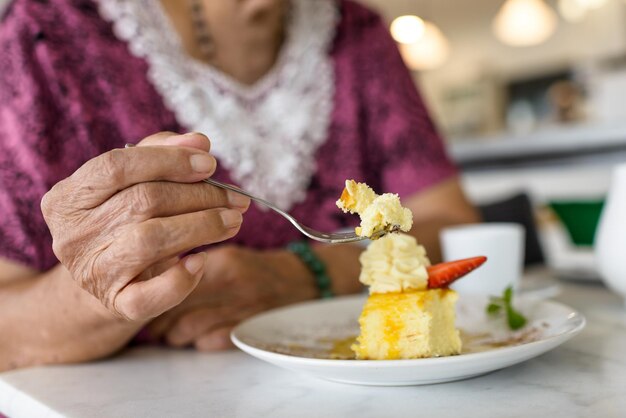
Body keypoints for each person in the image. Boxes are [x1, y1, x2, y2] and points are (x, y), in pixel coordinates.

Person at [0, 0, 480, 371]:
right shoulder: (42, 36)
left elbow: (452, 227)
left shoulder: (360, 34)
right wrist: (113, 285)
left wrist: (303, 274)